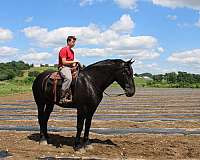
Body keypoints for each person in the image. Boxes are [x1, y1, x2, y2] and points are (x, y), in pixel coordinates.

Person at [58, 36, 77, 104]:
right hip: (63, 67)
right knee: (68, 78)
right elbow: (64, 62)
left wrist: (74, 65)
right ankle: (62, 97)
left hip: (70, 68)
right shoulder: (64, 49)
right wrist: (74, 62)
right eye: (73, 42)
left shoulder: (72, 51)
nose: (74, 43)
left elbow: (71, 62)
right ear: (68, 42)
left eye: (74, 42)